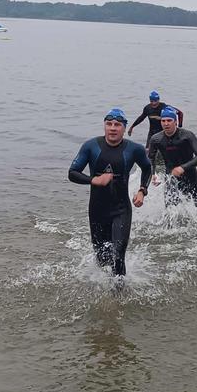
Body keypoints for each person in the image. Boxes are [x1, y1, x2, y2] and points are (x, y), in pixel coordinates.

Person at [68, 108, 151, 276]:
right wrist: (94, 180)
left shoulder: (134, 149)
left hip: (121, 210)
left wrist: (142, 191)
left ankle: (119, 296)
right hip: (97, 211)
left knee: (118, 255)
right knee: (102, 259)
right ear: (104, 126)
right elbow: (72, 173)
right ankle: (105, 287)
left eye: (117, 125)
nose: (113, 128)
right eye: (109, 124)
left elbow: (148, 168)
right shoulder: (91, 146)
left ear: (124, 128)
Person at [148, 106, 197, 207]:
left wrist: (182, 167)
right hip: (171, 178)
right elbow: (150, 158)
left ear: (175, 121)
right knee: (170, 210)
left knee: (195, 209)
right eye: (163, 121)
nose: (166, 124)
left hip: (190, 176)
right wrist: (153, 174)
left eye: (169, 120)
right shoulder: (156, 139)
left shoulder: (187, 135)